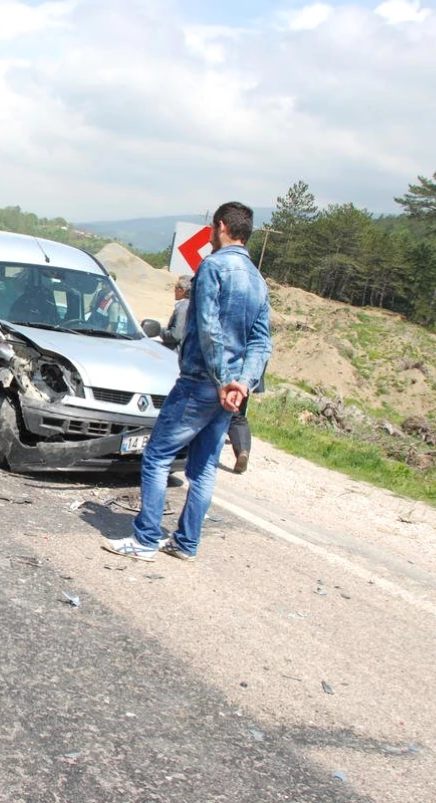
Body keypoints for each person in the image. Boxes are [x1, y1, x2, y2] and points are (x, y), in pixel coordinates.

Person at [103, 201, 271, 562]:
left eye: (212, 229)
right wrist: (242, 383)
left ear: (221, 226)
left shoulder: (213, 267)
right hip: (229, 394)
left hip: (200, 381)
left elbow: (208, 328)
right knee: (206, 466)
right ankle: (185, 542)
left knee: (157, 456)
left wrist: (224, 379)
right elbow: (261, 342)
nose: (210, 236)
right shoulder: (259, 281)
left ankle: (146, 539)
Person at [159, 274, 191, 349]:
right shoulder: (188, 305)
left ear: (182, 291)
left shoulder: (183, 308)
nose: (174, 290)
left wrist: (159, 331)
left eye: (176, 287)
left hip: (175, 351)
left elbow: (175, 335)